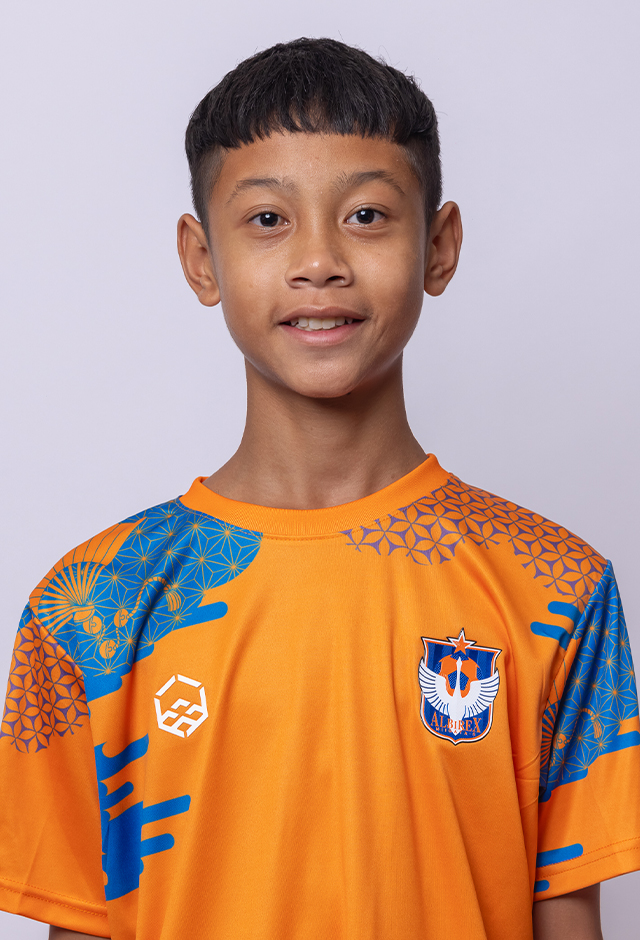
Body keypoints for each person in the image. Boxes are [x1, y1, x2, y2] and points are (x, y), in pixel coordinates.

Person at [1, 37, 638, 940]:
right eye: (268, 219)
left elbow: (567, 920)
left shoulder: (556, 588)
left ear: (439, 247)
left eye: (367, 215)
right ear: (201, 259)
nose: (319, 260)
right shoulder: (92, 608)